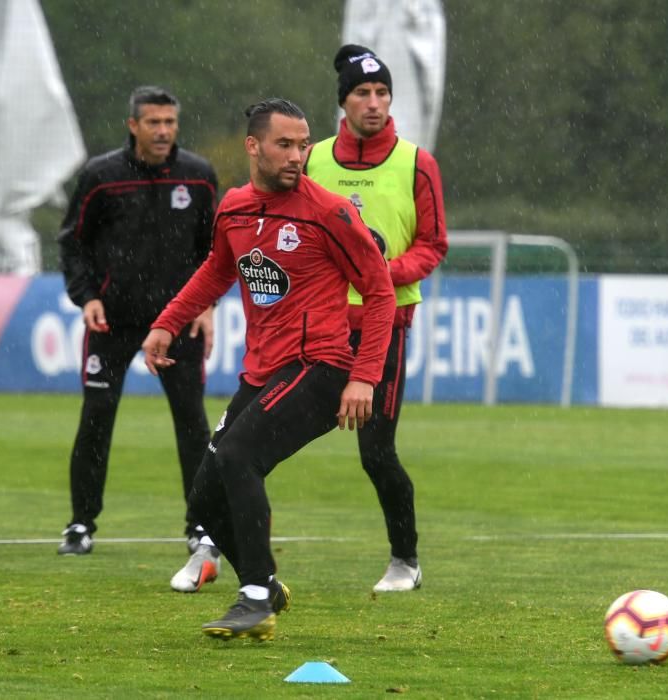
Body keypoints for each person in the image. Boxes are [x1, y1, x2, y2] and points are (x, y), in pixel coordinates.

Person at [142, 98, 395, 641]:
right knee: (205, 498)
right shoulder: (233, 208)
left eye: (304, 145)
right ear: (253, 146)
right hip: (262, 372)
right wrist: (168, 322)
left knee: (237, 455)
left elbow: (379, 291)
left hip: (321, 367)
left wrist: (365, 374)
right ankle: (269, 584)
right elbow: (215, 272)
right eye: (285, 144)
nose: (297, 156)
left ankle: (255, 595)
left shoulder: (330, 212)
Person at [302, 45, 449, 591]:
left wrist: (383, 273)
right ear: (343, 102)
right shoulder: (312, 159)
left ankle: (404, 561)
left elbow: (434, 244)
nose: (374, 103)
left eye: (382, 93)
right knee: (255, 437)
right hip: (316, 326)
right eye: (362, 93)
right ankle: (215, 545)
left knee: (376, 451)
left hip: (385, 328)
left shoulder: (416, 162)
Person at [55, 86, 218, 555]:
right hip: (113, 323)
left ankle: (201, 527)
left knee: (193, 424)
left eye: (169, 122)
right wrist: (86, 297)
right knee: (96, 420)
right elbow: (72, 241)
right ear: (133, 126)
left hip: (179, 323)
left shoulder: (199, 176)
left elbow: (216, 251)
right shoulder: (101, 176)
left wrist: (207, 306)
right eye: (153, 122)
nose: (163, 131)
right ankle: (81, 525)